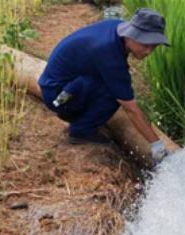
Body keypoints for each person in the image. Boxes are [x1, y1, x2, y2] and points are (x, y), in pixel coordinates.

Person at [38, 8, 170, 163]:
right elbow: (130, 108)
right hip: (58, 95)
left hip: (65, 84)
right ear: (132, 35)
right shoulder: (109, 54)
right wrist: (156, 144)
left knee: (117, 86)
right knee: (116, 94)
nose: (148, 51)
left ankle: (82, 118)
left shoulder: (116, 28)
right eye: (145, 44)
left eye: (153, 46)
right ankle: (81, 130)